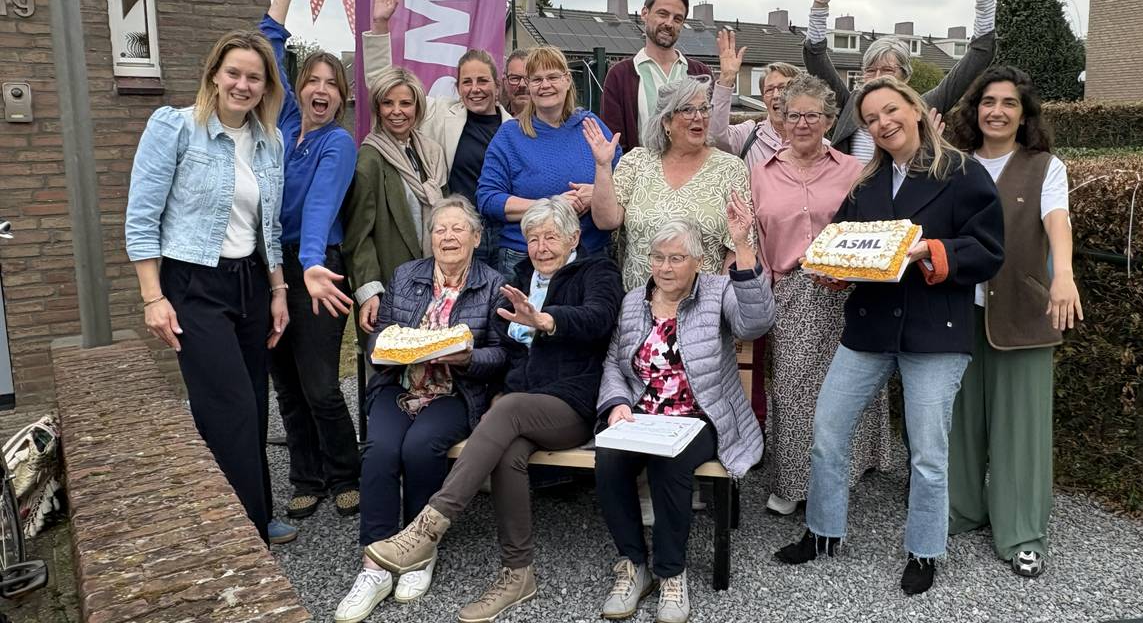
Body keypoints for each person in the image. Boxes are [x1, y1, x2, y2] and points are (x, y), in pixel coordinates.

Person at [774, 77, 1004, 597]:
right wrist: (832, 267)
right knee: (828, 432)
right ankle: (823, 532)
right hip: (870, 327)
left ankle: (925, 549)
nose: (883, 123)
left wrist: (929, 251)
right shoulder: (865, 184)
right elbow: (843, 243)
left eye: (891, 110)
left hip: (935, 331)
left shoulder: (963, 173)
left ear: (916, 110)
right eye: (872, 118)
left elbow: (989, 251)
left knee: (926, 451)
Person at [364, 197, 624, 622]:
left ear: (574, 238)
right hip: (522, 404)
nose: (541, 247)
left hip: (572, 403)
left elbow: (598, 319)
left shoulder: (597, 271)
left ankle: (429, 526)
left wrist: (546, 321)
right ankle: (518, 573)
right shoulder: (520, 276)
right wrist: (506, 385)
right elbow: (507, 351)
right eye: (533, 239)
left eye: (551, 237)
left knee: (506, 412)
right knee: (508, 450)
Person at [125, 28, 289, 544]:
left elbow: (272, 227)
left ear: (266, 88)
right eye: (234, 73)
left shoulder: (270, 142)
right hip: (193, 282)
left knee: (254, 407)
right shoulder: (174, 127)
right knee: (227, 406)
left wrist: (279, 290)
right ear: (215, 75)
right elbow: (141, 218)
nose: (242, 84)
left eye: (254, 78)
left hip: (251, 285)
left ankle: (256, 512)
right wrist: (153, 297)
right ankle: (243, 534)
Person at [334, 196, 507, 623]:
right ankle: (374, 564)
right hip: (401, 385)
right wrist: (387, 350)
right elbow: (380, 339)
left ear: (476, 237)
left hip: (454, 392)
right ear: (430, 238)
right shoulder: (406, 275)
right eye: (439, 230)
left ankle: (417, 550)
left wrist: (467, 358)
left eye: (457, 229)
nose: (447, 237)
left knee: (420, 447)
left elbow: (502, 354)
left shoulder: (493, 283)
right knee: (379, 450)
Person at [594, 216, 774, 623]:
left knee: (670, 461)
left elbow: (757, 322)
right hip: (644, 415)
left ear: (698, 261)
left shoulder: (716, 292)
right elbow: (613, 363)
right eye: (658, 257)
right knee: (608, 459)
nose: (666, 267)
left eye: (677, 258)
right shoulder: (633, 301)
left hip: (702, 416)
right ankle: (633, 565)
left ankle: (671, 572)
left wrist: (743, 247)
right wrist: (617, 404)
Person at [946, 67, 1082, 578]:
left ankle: (1023, 531)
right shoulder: (953, 164)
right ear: (974, 108)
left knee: (1021, 430)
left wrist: (1063, 274)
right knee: (957, 422)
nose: (996, 111)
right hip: (957, 312)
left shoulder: (1045, 166)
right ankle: (961, 509)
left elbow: (1057, 221)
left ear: (1024, 115)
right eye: (988, 101)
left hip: (1025, 314)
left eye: (1008, 103)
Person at [750, 73, 891, 517]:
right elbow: (751, 235)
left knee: (849, 388)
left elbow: (875, 228)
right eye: (794, 115)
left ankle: (840, 480)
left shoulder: (855, 171)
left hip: (852, 291)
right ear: (781, 119)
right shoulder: (760, 173)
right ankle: (793, 482)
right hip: (793, 290)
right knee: (792, 388)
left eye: (813, 115)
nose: (803, 123)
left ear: (830, 120)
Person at [257, 0, 362, 524]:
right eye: (311, 82)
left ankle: (345, 473)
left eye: (332, 85)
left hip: (316, 267)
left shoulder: (337, 144)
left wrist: (311, 262)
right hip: (270, 268)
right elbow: (265, 51)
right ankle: (306, 476)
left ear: (342, 97)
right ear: (298, 89)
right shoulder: (282, 126)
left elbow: (320, 207)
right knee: (287, 385)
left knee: (320, 382)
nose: (321, 90)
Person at [364, 0, 513, 266]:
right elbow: (385, 86)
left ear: (498, 85)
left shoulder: (513, 129)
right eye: (467, 82)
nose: (475, 89)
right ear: (457, 88)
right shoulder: (440, 113)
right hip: (457, 232)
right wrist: (381, 25)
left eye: (483, 81)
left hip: (504, 236)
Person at [804, 0, 998, 161]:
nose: (876, 78)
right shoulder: (850, 105)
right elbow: (815, 55)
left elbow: (979, 54)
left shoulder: (924, 106)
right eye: (870, 70)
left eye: (887, 71)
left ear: (905, 76)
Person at [587, 76, 753, 291]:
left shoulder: (730, 168)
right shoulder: (636, 161)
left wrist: (718, 301)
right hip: (638, 306)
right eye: (687, 110)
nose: (699, 117)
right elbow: (606, 221)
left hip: (703, 308)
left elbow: (739, 244)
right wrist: (602, 165)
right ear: (666, 121)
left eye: (704, 109)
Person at [475, 46, 621, 278]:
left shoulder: (590, 126)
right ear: (529, 86)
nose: (545, 85)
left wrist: (596, 193)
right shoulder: (510, 136)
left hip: (589, 255)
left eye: (552, 77)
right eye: (536, 79)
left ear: (567, 80)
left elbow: (623, 183)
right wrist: (551, 206)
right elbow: (488, 200)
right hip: (525, 257)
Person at [343, 65, 448, 337]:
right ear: (377, 108)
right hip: (393, 287)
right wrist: (369, 291)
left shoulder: (430, 154)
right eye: (388, 103)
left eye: (405, 103)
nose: (397, 111)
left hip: (434, 283)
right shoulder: (370, 159)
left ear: (418, 107)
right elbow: (358, 236)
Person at [601, 0, 714, 152]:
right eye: (663, 14)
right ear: (645, 13)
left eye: (677, 19)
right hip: (640, 176)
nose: (669, 23)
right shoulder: (620, 75)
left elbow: (712, 131)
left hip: (693, 174)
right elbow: (614, 142)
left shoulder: (700, 73)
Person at [707, 32, 805, 171]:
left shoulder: (815, 142)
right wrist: (727, 79)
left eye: (783, 88)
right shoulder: (748, 134)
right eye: (769, 90)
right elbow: (715, 136)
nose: (776, 95)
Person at [501, 49, 530, 116]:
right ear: (505, 82)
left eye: (528, 78)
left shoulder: (553, 123)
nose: (522, 85)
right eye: (515, 78)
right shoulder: (495, 124)